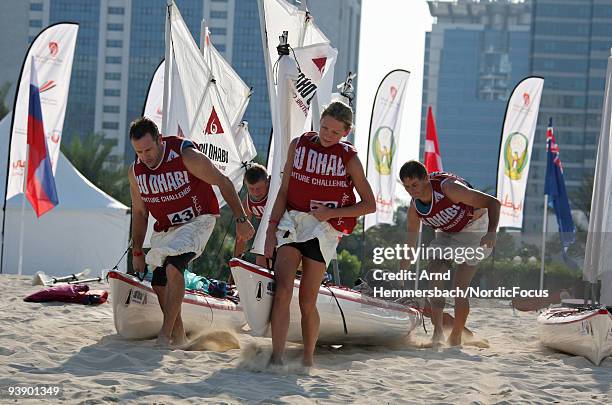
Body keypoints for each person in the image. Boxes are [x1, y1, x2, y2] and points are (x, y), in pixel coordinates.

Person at [264, 102, 376, 367]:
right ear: (319, 122)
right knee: (282, 290)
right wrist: (270, 230)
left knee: (307, 300)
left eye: (335, 132)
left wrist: (331, 212)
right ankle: (277, 358)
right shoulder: (299, 144)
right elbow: (283, 191)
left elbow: (368, 204)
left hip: (323, 229)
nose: (327, 135)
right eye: (324, 127)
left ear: (345, 133)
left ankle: (308, 360)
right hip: (292, 221)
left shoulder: (350, 158)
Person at [128, 117, 255, 347]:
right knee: (158, 282)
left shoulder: (185, 155)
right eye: (138, 152)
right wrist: (137, 251)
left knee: (173, 268)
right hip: (167, 230)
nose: (145, 157)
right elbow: (139, 213)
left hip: (198, 220)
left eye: (148, 149)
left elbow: (223, 181)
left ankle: (164, 337)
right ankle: (179, 337)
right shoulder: (136, 173)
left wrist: (241, 219)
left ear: (160, 140)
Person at [399, 161, 500, 346]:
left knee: (459, 287)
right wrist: (402, 272)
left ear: (426, 179)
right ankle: (437, 333)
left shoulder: (450, 189)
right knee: (434, 272)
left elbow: (493, 203)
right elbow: (410, 244)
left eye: (415, 185)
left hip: (474, 227)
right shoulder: (415, 208)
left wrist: (491, 232)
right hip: (447, 229)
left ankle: (457, 334)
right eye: (406, 187)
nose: (411, 191)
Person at [233, 163, 270, 268]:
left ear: (267, 182)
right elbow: (241, 237)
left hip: (283, 235)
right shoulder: (248, 202)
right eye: (251, 189)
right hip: (265, 236)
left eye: (258, 188)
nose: (255, 193)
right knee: (260, 262)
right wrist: (236, 263)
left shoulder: (274, 192)